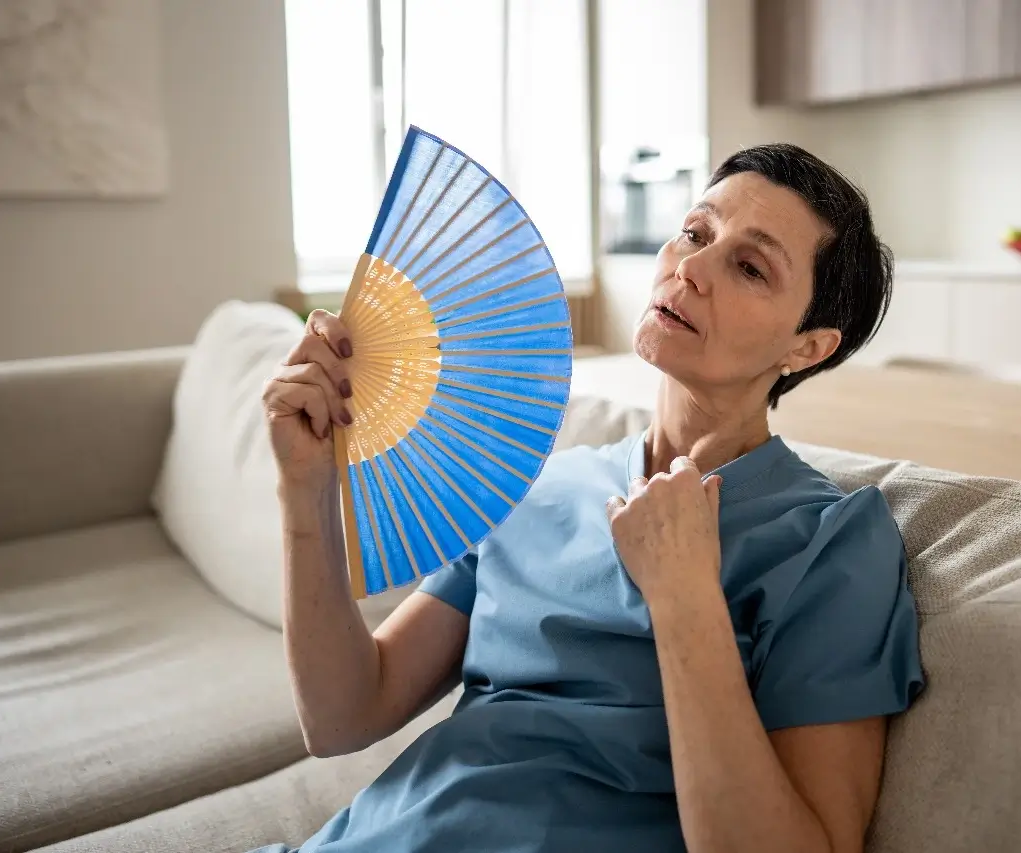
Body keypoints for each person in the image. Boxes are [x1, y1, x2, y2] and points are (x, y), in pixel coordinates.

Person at [257, 143, 924, 853]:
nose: (689, 268)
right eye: (695, 233)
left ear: (808, 347)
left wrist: (684, 596)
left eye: (750, 266)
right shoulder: (534, 480)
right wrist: (306, 490)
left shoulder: (831, 540)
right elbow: (341, 715)